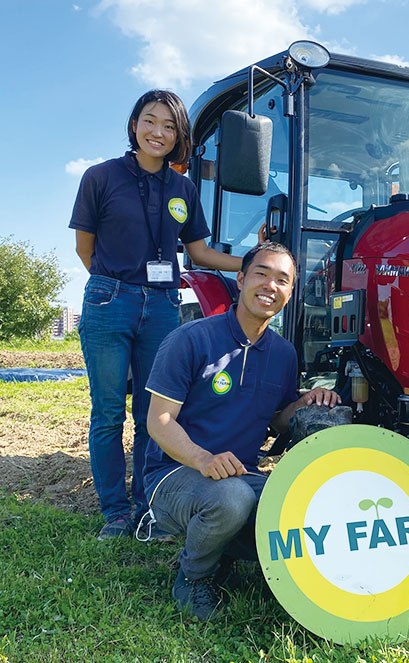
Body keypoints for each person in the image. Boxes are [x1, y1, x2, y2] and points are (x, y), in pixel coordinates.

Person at [69, 90, 245, 541]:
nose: (159, 132)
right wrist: (118, 286)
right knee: (108, 412)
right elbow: (84, 249)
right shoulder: (100, 177)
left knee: (154, 412)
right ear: (134, 125)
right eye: (151, 121)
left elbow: (200, 252)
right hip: (111, 300)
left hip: (164, 306)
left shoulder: (183, 187)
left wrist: (249, 263)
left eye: (170, 126)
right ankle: (116, 511)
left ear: (179, 136)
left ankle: (148, 503)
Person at [143, 242, 341, 621]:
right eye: (261, 274)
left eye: (282, 279)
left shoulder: (283, 354)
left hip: (242, 474)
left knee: (301, 509)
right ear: (240, 279)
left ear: (290, 291)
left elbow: (278, 420)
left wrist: (305, 403)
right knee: (231, 500)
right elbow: (159, 421)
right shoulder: (191, 340)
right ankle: (195, 577)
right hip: (173, 474)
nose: (270, 285)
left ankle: (224, 551)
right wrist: (203, 458)